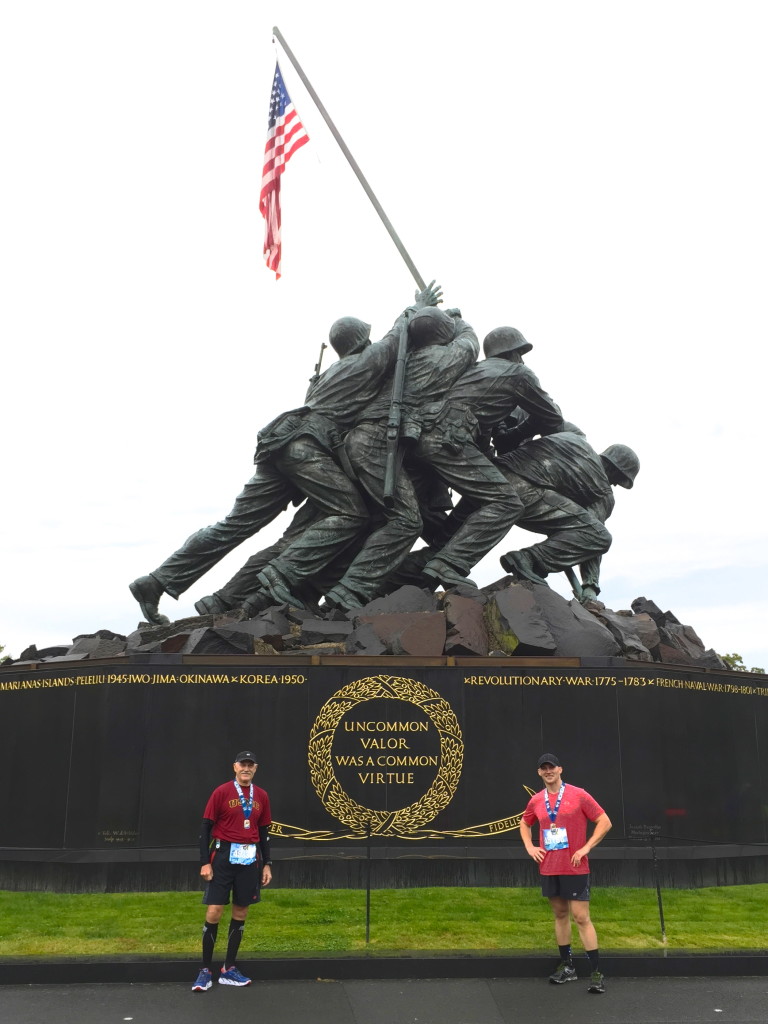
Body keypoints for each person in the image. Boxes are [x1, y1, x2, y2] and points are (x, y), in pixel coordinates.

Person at [129, 284, 441, 625]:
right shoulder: (362, 365)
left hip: (280, 441)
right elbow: (396, 340)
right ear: (362, 341)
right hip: (306, 447)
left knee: (234, 525)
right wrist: (417, 308)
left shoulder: (329, 374)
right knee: (351, 514)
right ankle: (281, 575)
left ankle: (158, 580)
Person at [520, 753, 612, 995]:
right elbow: (525, 822)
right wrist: (530, 847)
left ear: (560, 769)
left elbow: (604, 820)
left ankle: (597, 973)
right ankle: (568, 967)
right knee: (560, 914)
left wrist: (586, 847)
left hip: (575, 865)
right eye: (544, 768)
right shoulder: (537, 800)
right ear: (539, 773)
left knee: (581, 917)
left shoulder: (578, 794)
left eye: (552, 767)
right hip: (549, 866)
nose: (548, 771)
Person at [191, 751, 273, 991]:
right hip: (223, 856)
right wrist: (205, 861)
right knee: (214, 910)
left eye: (250, 765)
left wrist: (267, 863)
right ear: (235, 767)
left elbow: (264, 832)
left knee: (241, 910)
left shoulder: (262, 796)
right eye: (242, 764)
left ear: (255, 768)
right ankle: (205, 970)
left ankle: (229, 968)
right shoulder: (222, 792)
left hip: (250, 858)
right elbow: (205, 827)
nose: (246, 768)